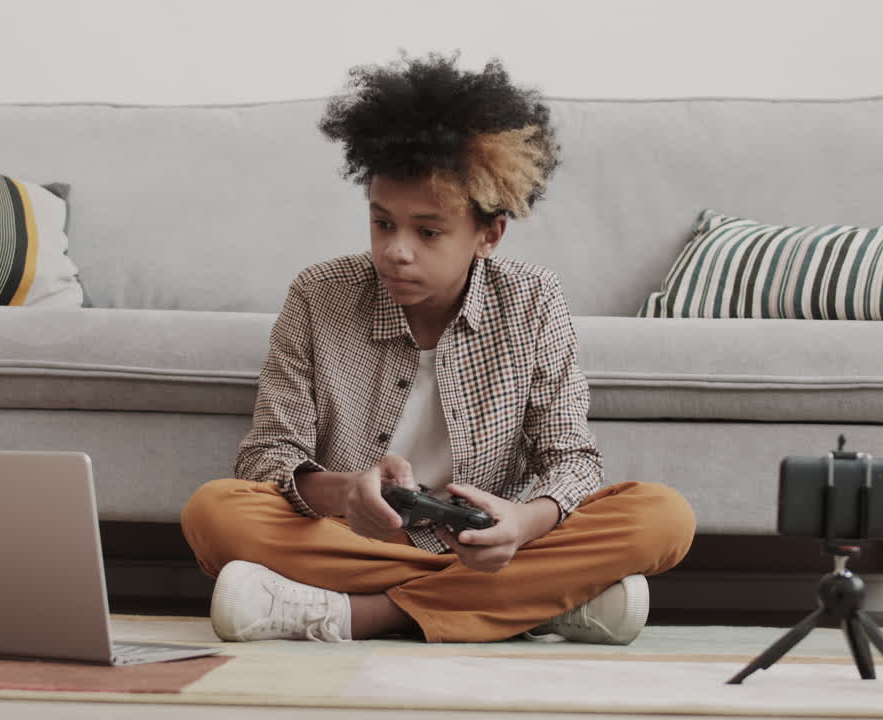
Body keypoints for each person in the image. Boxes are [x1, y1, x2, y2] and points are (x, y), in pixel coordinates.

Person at [180, 52, 695, 644]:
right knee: (214, 512)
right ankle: (538, 604)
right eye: (382, 223)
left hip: (488, 546)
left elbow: (573, 459)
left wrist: (522, 525)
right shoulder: (318, 295)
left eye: (428, 231)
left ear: (489, 233)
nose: (397, 251)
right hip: (357, 541)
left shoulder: (533, 301)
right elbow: (266, 459)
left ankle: (358, 613)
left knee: (663, 516)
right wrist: (348, 492)